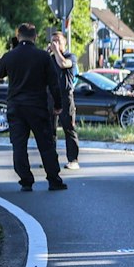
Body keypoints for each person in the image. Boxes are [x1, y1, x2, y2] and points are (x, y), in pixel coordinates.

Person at [0, 23, 69, 191]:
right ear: (35, 37)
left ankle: (26, 181)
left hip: (16, 107)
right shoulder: (43, 57)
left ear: (18, 36)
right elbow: (54, 83)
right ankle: (53, 180)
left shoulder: (10, 56)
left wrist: (12, 50)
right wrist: (57, 104)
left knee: (19, 145)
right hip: (37, 106)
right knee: (46, 145)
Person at [48, 29, 81, 167]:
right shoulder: (49, 58)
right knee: (50, 130)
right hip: (50, 96)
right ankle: (50, 159)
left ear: (64, 43)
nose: (55, 44)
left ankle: (73, 160)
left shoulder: (70, 56)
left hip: (65, 97)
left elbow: (63, 64)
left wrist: (56, 52)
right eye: (53, 41)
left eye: (58, 41)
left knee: (68, 128)